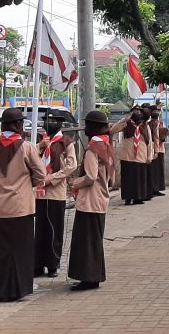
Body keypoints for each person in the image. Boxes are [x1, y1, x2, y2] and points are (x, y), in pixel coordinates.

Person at [0, 108, 46, 302]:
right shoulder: (26, 147)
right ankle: (18, 288)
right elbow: (41, 173)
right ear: (19, 126)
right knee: (20, 250)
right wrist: (30, 183)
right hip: (20, 207)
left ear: (3, 125)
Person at [69, 110, 115, 290]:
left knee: (86, 242)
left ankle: (88, 278)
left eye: (88, 125)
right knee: (94, 241)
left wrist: (74, 182)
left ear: (94, 128)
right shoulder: (106, 146)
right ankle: (93, 277)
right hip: (101, 199)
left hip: (89, 201)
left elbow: (90, 176)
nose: (85, 128)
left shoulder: (92, 149)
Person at [35, 112, 77, 279]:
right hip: (39, 194)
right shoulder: (40, 142)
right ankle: (37, 264)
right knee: (39, 231)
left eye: (53, 121)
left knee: (55, 229)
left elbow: (70, 166)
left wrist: (51, 178)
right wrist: (40, 147)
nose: (49, 123)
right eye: (47, 120)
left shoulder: (66, 143)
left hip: (55, 192)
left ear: (60, 124)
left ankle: (53, 263)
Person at [112, 108, 150, 205]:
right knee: (127, 178)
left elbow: (149, 143)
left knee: (139, 178)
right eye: (134, 112)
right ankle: (128, 197)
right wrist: (124, 120)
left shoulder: (145, 126)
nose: (137, 113)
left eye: (138, 112)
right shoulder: (126, 125)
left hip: (140, 156)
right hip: (127, 156)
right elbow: (112, 130)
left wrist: (149, 155)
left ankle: (139, 198)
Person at [149, 104, 168, 196]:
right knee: (153, 170)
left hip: (160, 148)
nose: (158, 112)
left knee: (158, 170)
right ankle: (153, 189)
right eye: (156, 110)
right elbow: (154, 137)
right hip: (153, 148)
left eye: (159, 110)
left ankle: (157, 188)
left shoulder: (159, 122)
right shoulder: (150, 123)